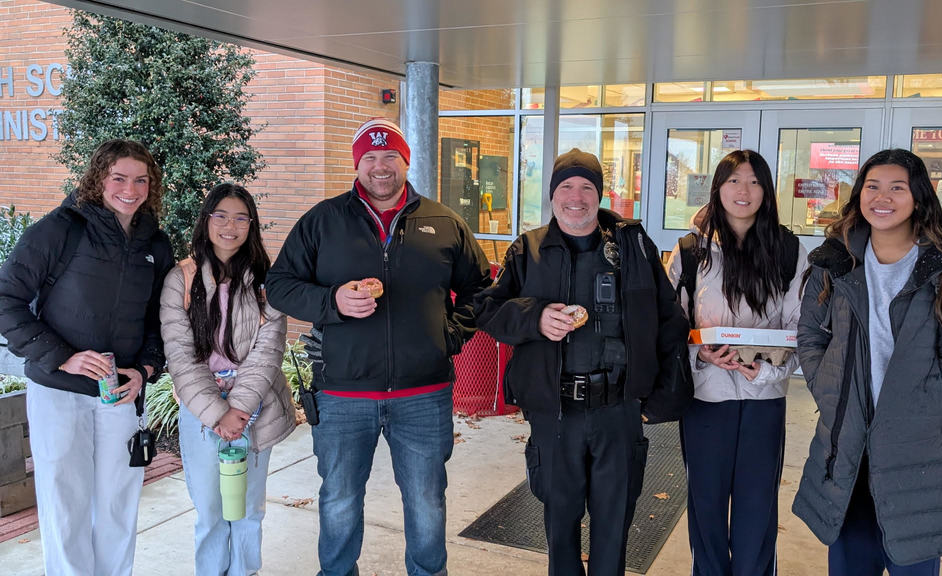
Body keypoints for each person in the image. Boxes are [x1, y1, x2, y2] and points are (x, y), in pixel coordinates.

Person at [265, 117, 491, 576]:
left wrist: (449, 334)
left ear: (405, 161)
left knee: (426, 501)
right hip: (343, 393)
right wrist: (332, 301)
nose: (380, 166)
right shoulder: (323, 221)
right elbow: (279, 285)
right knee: (340, 500)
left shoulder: (444, 222)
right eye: (369, 157)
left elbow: (482, 289)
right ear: (357, 164)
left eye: (390, 156)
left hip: (423, 394)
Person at [474, 148, 688, 576]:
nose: (576, 197)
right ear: (552, 195)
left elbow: (669, 321)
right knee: (560, 527)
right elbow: (487, 310)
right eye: (566, 187)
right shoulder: (528, 249)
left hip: (619, 411)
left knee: (614, 526)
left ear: (600, 194)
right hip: (556, 413)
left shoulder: (633, 247)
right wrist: (535, 317)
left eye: (587, 187)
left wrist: (661, 398)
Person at [793, 149, 942, 575]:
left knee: (913, 557)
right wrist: (828, 389)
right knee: (850, 559)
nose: (882, 198)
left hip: (918, 445)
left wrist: (927, 407)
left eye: (897, 188)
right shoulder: (837, 259)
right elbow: (811, 333)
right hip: (848, 439)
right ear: (859, 195)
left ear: (918, 198)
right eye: (873, 187)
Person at [0, 139, 173, 575]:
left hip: (119, 394)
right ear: (98, 179)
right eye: (119, 178)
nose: (130, 190)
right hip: (58, 391)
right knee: (65, 502)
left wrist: (146, 368)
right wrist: (62, 358)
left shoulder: (155, 243)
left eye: (141, 180)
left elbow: (160, 319)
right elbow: (6, 299)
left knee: (119, 501)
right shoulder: (60, 229)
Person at [666, 149, 806, 576]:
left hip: (765, 398)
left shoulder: (788, 250)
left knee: (757, 506)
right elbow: (670, 324)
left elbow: (802, 327)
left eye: (754, 181)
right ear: (718, 188)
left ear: (767, 190)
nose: (744, 190)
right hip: (705, 398)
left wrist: (769, 371)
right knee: (705, 505)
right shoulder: (690, 251)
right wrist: (700, 354)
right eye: (734, 180)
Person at [160, 183, 296, 576]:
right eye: (220, 216)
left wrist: (239, 407)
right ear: (206, 221)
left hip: (254, 406)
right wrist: (217, 412)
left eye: (240, 218)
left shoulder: (266, 281)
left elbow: (268, 349)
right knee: (210, 510)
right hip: (201, 408)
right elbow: (180, 355)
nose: (229, 226)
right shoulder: (181, 280)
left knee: (248, 508)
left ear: (251, 225)